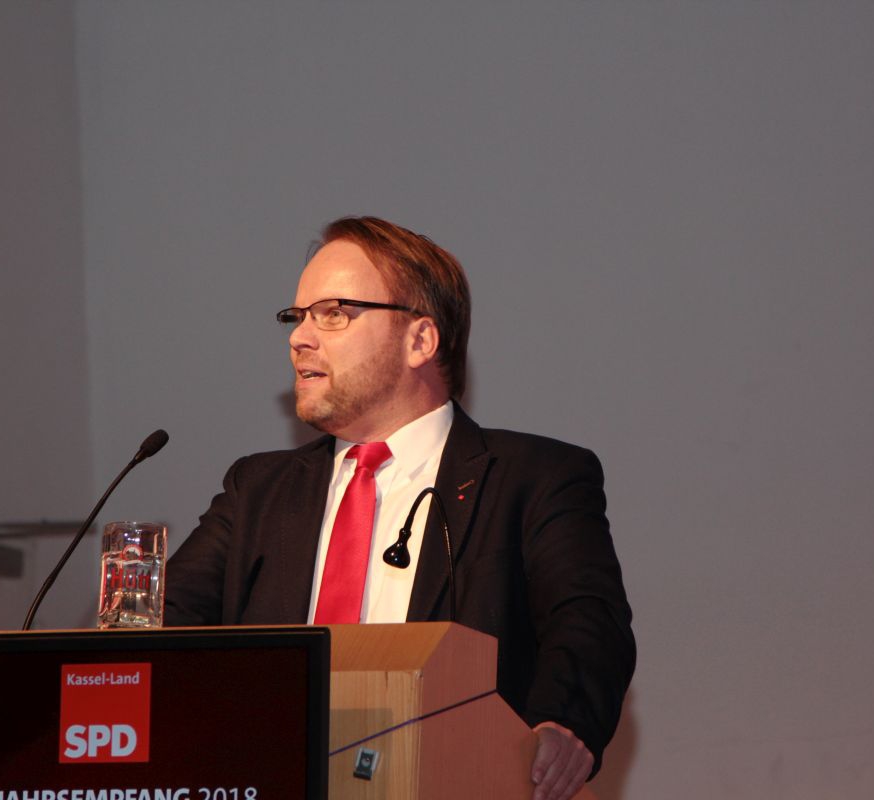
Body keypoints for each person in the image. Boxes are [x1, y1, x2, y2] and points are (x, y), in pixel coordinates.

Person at [165, 216, 635, 800]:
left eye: (333, 313)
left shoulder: (532, 478)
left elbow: (587, 623)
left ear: (421, 340)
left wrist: (560, 724)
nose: (299, 337)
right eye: (298, 316)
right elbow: (160, 628)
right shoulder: (257, 491)